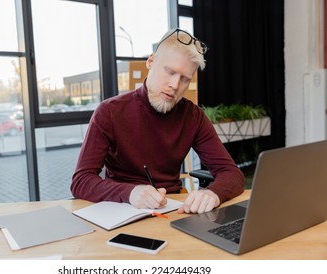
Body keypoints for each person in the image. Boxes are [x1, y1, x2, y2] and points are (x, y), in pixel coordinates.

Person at [71, 28, 244, 214]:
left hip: (172, 209)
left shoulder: (194, 116)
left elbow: (232, 173)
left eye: (185, 79)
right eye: (169, 72)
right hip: (121, 209)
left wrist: (213, 193)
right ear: (151, 62)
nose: (175, 85)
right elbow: (81, 180)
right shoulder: (109, 112)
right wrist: (130, 192)